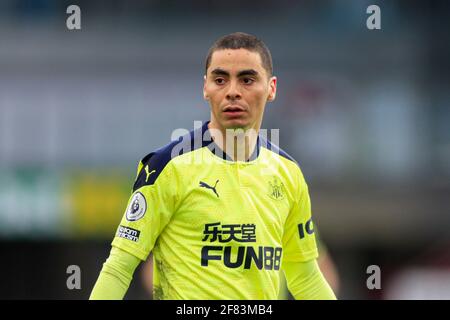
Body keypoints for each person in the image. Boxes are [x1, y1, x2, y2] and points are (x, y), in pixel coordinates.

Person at [90, 32, 336, 300]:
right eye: (220, 80)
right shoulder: (167, 166)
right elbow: (119, 268)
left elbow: (306, 277)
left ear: (271, 88)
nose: (232, 91)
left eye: (247, 79)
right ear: (205, 87)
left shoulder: (289, 173)